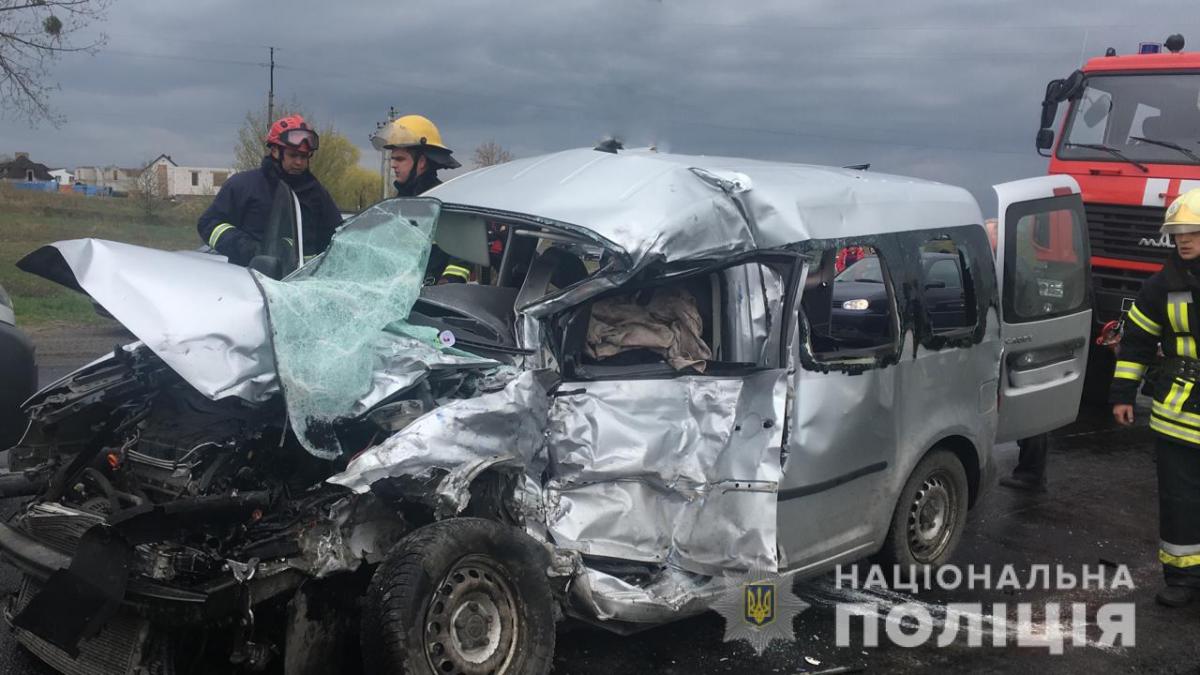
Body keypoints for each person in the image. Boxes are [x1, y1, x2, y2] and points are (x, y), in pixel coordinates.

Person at [1110, 188, 1200, 608]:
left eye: (1192, 232)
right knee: (1179, 499)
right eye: (1178, 233)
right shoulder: (1161, 286)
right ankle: (1182, 579)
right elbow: (1137, 345)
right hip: (1178, 413)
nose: (1183, 240)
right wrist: (1122, 393)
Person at [198, 115, 342, 267]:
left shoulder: (317, 193)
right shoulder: (244, 185)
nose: (299, 162)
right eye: (293, 155)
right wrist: (248, 249)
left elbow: (336, 238)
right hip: (248, 280)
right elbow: (208, 224)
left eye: (304, 156)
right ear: (275, 151)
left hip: (301, 285)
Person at [369, 114, 471, 284]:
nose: (393, 164)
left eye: (400, 159)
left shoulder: (443, 202)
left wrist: (448, 283)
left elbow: (463, 254)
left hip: (431, 303)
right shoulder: (398, 202)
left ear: (421, 161)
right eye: (393, 158)